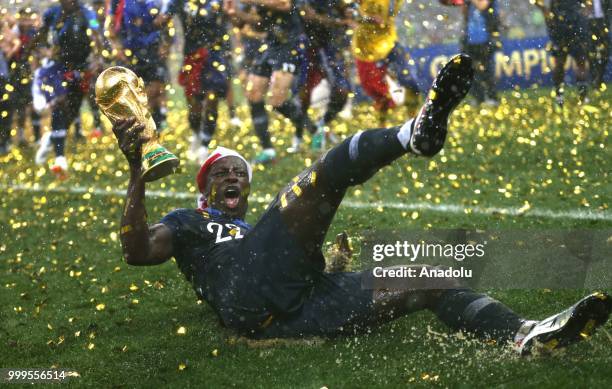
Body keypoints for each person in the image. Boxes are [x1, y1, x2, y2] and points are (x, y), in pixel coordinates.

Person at [111, 55, 611, 353]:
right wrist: (137, 171)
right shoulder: (188, 222)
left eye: (239, 172)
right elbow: (135, 250)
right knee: (321, 176)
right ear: (205, 188)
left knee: (430, 277)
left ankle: (524, 337)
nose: (232, 177)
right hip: (247, 294)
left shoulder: (257, 230)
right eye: (221, 172)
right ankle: (412, 134)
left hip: (297, 306)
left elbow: (283, 262)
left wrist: (327, 265)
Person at [224, 0, 317, 164]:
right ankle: (268, 151)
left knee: (277, 101)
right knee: (253, 93)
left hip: (291, 44)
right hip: (271, 44)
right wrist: (235, 13)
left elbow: (285, 5)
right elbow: (259, 23)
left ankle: (315, 130)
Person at [30, 0, 103, 177]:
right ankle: (60, 158)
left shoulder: (88, 14)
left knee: (72, 110)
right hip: (58, 67)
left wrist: (98, 57)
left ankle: (52, 138)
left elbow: (96, 33)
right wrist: (39, 51)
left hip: (81, 68)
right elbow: (40, 35)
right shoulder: (51, 13)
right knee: (59, 105)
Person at [157, 0, 233, 164]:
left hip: (216, 53)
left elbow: (232, 19)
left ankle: (205, 144)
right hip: (192, 54)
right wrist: (165, 41)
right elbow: (164, 20)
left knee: (212, 99)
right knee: (194, 103)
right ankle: (196, 134)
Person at [297, 0, 354, 152]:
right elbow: (308, 15)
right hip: (307, 46)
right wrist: (341, 22)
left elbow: (348, 8)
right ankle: (300, 135)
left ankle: (321, 125)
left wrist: (349, 11)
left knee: (342, 93)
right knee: (303, 96)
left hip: (332, 46)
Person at [352, 0, 421, 124]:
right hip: (368, 49)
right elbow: (348, 9)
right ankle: (381, 125)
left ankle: (413, 123)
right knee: (379, 92)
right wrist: (366, 18)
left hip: (389, 43)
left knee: (410, 80)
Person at [108, 0, 168, 129]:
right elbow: (110, 27)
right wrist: (117, 48)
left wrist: (165, 44)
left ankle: (155, 127)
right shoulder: (118, 2)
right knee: (131, 95)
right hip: (128, 54)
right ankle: (138, 127)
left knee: (155, 91)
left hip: (153, 51)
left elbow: (168, 21)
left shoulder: (158, 3)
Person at [536, 0, 591, 105]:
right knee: (560, 63)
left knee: (581, 61)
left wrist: (585, 12)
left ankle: (583, 96)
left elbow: (588, 3)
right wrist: (544, 10)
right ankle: (559, 97)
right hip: (559, 25)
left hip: (576, 23)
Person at [462, 0, 500, 106]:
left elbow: (482, 5)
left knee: (487, 69)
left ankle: (492, 97)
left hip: (485, 39)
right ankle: (479, 97)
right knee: (472, 70)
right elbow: (464, 12)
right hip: (471, 40)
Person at [585, 0, 610, 90]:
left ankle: (599, 77)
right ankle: (594, 77)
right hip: (587, 23)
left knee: (606, 51)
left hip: (602, 22)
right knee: (590, 52)